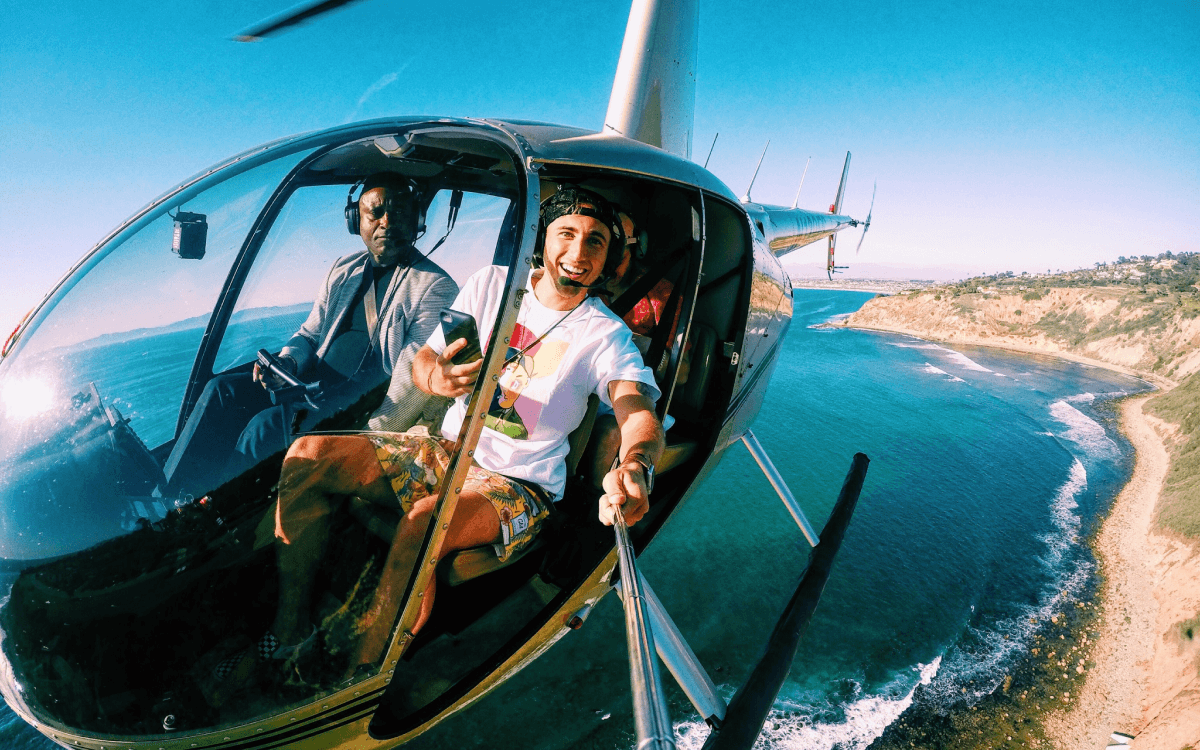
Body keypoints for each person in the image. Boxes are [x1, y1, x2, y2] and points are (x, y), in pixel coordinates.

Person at [262, 187, 665, 677]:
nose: (579, 253)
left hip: (518, 487)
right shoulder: (493, 284)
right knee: (308, 455)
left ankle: (361, 673)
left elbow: (637, 410)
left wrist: (637, 463)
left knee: (426, 521)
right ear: (545, 239)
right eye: (567, 234)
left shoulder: (604, 335)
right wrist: (437, 377)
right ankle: (288, 634)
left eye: (596, 242)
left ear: (608, 258)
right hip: (445, 450)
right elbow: (426, 360)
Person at [160, 174, 459, 499]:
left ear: (416, 221)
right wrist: (288, 360)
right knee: (221, 391)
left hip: (360, 402)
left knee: (266, 427)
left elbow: (411, 376)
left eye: (399, 211)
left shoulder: (434, 286)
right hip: (311, 385)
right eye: (376, 212)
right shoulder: (343, 269)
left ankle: (218, 514)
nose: (386, 221)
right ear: (355, 220)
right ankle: (169, 499)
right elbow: (310, 334)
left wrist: (369, 436)